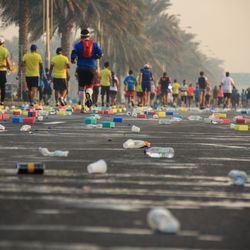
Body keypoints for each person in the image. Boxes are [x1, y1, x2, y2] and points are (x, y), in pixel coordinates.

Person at [71, 28, 102, 112]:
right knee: (90, 86)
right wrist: (96, 57)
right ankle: (88, 93)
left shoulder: (78, 45)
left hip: (81, 68)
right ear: (88, 36)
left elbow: (73, 54)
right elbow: (100, 52)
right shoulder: (94, 44)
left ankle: (82, 106)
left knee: (81, 87)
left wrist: (73, 60)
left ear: (81, 36)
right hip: (91, 68)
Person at [0, 37, 12, 106]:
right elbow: (7, 61)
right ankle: (2, 101)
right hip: (2, 71)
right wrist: (10, 67)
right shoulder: (5, 50)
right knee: (2, 86)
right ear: (3, 43)